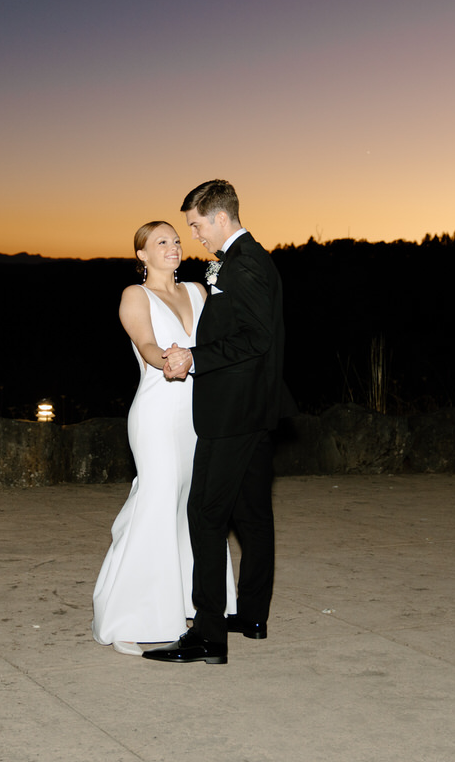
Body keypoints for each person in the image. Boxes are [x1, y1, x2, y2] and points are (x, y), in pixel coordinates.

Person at [146, 180, 291, 665]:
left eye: (195, 224)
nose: (193, 235)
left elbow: (256, 339)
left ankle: (208, 635)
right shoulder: (248, 258)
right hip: (253, 411)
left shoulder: (244, 264)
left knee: (204, 516)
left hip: (232, 413)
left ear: (219, 218)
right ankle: (251, 616)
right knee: (252, 516)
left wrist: (194, 356)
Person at [92, 222, 234, 654]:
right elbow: (147, 344)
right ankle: (130, 618)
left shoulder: (198, 291)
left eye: (176, 240)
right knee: (156, 502)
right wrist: (169, 359)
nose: (173, 247)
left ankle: (192, 605)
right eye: (161, 242)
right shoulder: (135, 296)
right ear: (142, 255)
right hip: (156, 412)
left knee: (191, 506)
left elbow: (218, 342)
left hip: (197, 414)